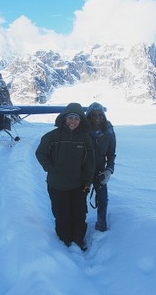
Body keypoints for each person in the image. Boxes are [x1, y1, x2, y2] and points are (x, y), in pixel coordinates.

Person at [35, 102, 95, 251]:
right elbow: (41, 153)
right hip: (57, 185)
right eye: (70, 118)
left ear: (81, 120)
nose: (73, 121)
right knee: (62, 214)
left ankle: (79, 239)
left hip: (78, 185)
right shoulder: (52, 136)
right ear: (64, 119)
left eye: (76, 118)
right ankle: (64, 240)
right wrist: (51, 169)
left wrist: (87, 181)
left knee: (79, 214)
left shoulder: (85, 138)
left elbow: (89, 162)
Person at [86, 102, 116, 232]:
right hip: (83, 171)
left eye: (100, 114)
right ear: (89, 116)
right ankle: (79, 225)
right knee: (79, 199)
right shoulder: (82, 131)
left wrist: (109, 170)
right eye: (93, 114)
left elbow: (111, 154)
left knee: (103, 199)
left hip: (100, 171)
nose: (97, 117)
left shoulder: (109, 132)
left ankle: (101, 223)